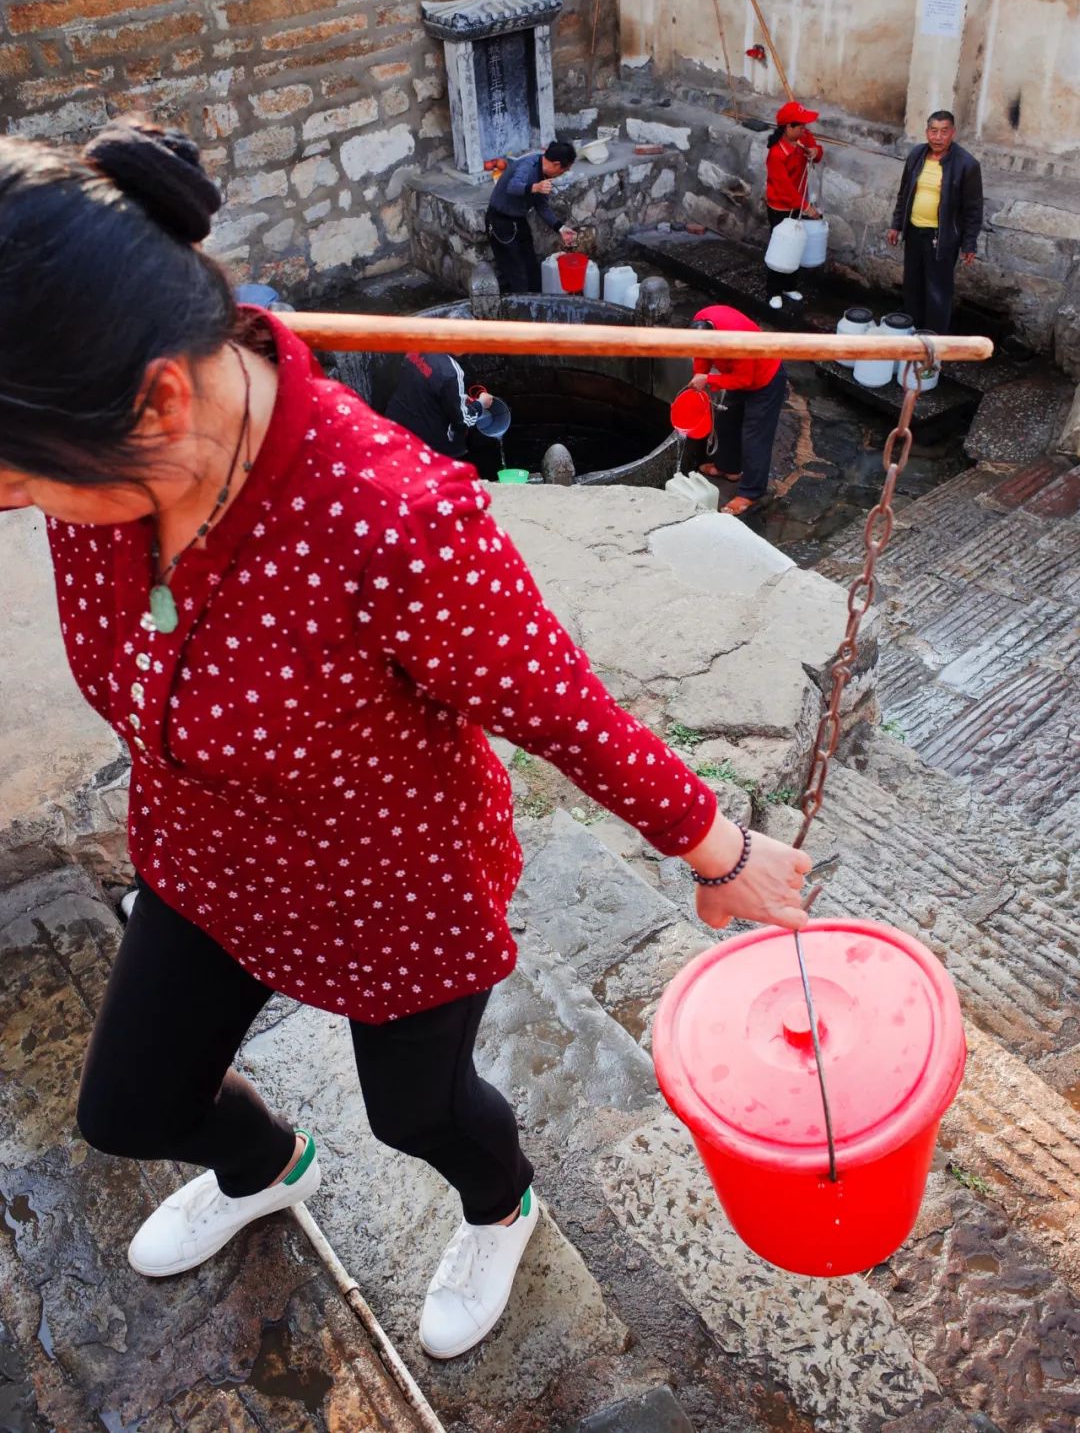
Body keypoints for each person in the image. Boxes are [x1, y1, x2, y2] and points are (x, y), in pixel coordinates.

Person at [0, 121, 811, 1361]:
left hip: (390, 885)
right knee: (129, 1107)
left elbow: (560, 707)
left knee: (420, 1113)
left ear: (157, 399)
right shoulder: (109, 464)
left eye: (18, 484)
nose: (18, 505)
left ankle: (504, 1203)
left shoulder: (393, 527)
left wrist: (718, 849)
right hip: (205, 855)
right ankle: (268, 1165)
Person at [887, 110, 983, 332]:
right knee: (912, 287)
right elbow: (904, 193)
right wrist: (896, 224)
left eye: (944, 132)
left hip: (942, 239)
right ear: (927, 132)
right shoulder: (916, 155)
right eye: (933, 131)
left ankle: (933, 346)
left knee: (938, 293)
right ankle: (912, 335)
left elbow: (973, 209)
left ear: (953, 133)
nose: (938, 137)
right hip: (913, 232)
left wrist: (969, 243)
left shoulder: (967, 164)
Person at [689, 305, 787, 517]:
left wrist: (709, 379)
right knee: (727, 421)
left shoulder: (738, 340)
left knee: (755, 436)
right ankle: (728, 468)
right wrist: (699, 374)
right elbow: (701, 355)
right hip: (737, 372)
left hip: (764, 379)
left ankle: (751, 493)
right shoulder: (701, 322)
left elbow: (745, 380)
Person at [486, 139, 577, 294]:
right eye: (564, 170)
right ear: (556, 164)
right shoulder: (528, 166)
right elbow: (513, 186)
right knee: (517, 273)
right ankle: (519, 311)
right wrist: (535, 187)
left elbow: (541, 205)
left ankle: (536, 305)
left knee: (531, 267)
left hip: (518, 220)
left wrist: (560, 227)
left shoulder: (545, 175)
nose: (563, 174)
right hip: (500, 222)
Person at [764, 101, 823, 312]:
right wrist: (807, 207)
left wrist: (815, 152)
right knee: (780, 247)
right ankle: (773, 291)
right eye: (800, 126)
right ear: (788, 127)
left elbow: (817, 151)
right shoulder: (776, 154)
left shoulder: (803, 138)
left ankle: (789, 286)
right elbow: (784, 188)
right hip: (780, 206)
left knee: (795, 245)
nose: (805, 130)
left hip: (798, 203)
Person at [385, 349, 493, 459]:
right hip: (426, 445)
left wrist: (458, 399)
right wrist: (480, 405)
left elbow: (427, 388)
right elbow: (462, 421)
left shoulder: (419, 345)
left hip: (395, 424)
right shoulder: (451, 371)